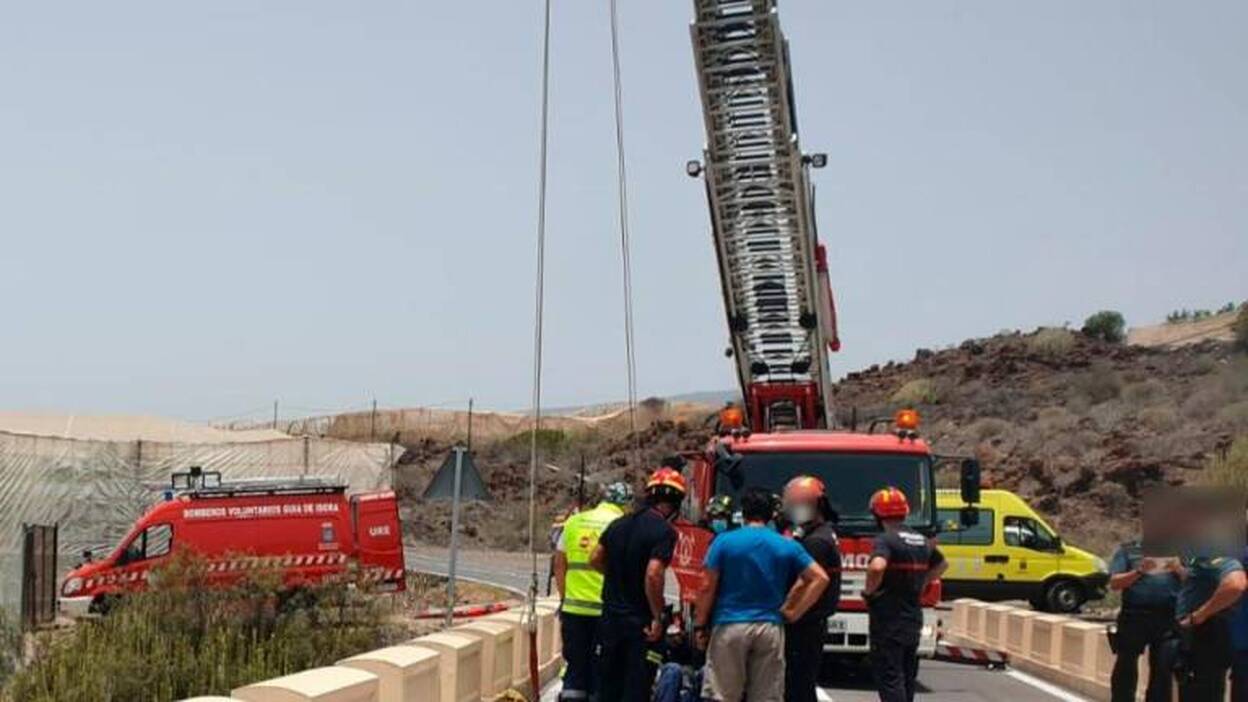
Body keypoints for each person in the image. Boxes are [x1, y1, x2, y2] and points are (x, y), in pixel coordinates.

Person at [694, 486, 830, 702]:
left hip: (729, 625)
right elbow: (819, 578)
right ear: (771, 514)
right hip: (770, 627)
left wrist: (700, 625)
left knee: (722, 695)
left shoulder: (723, 542)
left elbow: (706, 586)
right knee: (766, 696)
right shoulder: (786, 545)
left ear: (744, 512)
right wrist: (793, 612)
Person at [591, 467, 686, 702]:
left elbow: (595, 558)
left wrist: (617, 575)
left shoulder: (619, 524)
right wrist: (656, 616)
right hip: (639, 624)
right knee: (637, 686)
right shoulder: (664, 531)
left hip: (610, 618)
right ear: (674, 503)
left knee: (608, 684)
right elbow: (654, 574)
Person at [862, 487, 946, 702]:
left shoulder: (886, 540)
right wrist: (921, 583)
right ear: (905, 512)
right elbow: (942, 564)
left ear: (877, 514)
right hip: (912, 616)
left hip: (889, 618)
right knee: (907, 675)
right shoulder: (919, 539)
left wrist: (869, 592)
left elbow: (877, 567)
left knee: (890, 676)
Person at [553, 482, 633, 701]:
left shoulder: (573, 522)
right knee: (602, 670)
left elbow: (559, 564)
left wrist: (564, 598)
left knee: (576, 667)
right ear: (625, 504)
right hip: (604, 611)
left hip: (573, 609)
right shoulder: (621, 524)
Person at [781, 476, 842, 702]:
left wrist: (788, 612)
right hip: (811, 623)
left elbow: (807, 581)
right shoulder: (822, 534)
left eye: (797, 505)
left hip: (804, 625)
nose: (793, 511)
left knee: (797, 686)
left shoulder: (817, 541)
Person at [1106, 540, 1181, 702]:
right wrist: (1139, 571)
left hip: (1167, 616)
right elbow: (1114, 583)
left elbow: (1194, 581)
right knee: (1126, 664)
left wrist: (1178, 569)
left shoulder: (1180, 551)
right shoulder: (1128, 550)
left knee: (1163, 668)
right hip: (1134, 614)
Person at [1173, 549, 1246, 701]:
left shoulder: (1222, 557)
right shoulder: (1201, 558)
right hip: (1206, 637)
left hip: (1209, 636)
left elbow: (1235, 584)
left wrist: (1198, 616)